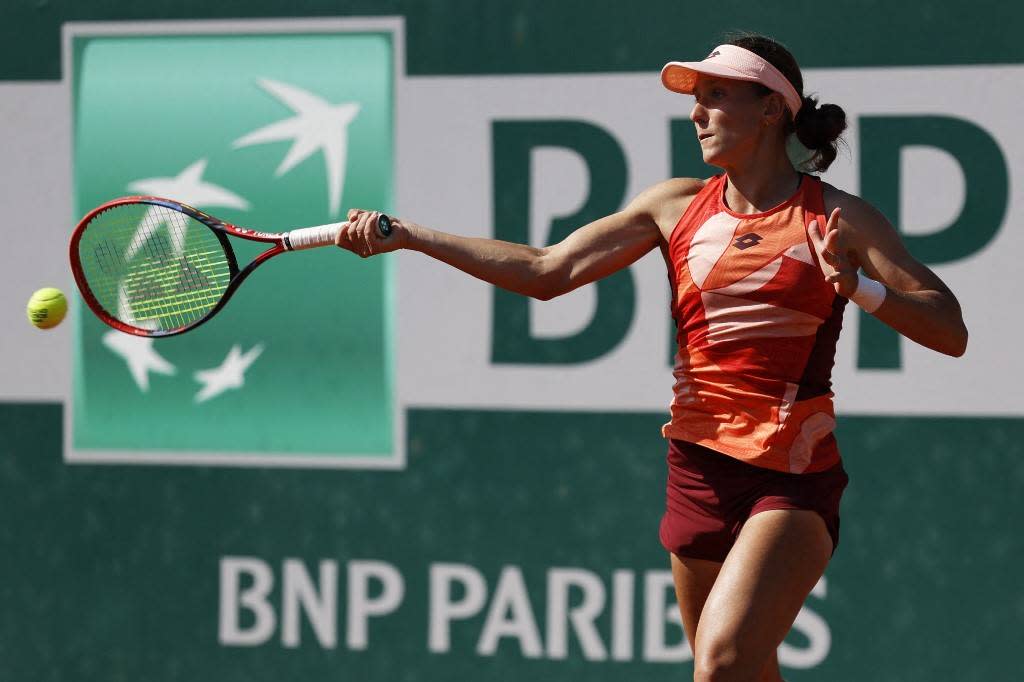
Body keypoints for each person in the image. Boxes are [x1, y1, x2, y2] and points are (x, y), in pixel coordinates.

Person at [337, 33, 967, 682]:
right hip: (695, 471)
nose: (697, 113)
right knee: (740, 672)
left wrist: (858, 287)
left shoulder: (838, 217)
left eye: (717, 96)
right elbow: (551, 270)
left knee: (721, 662)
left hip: (791, 477)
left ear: (772, 108)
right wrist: (410, 237)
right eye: (697, 99)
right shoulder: (673, 205)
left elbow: (950, 329)